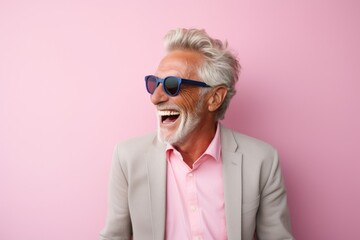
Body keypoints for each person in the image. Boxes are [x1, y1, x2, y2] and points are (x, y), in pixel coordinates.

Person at [99, 28, 294, 240]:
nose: (155, 98)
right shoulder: (127, 157)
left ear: (214, 98)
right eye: (154, 84)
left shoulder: (262, 160)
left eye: (172, 86)